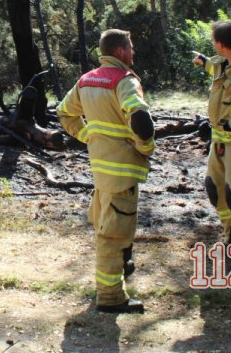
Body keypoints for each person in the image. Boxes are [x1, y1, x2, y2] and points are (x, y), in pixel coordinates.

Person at [57, 29, 155, 314]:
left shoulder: (87, 80)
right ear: (121, 52)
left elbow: (65, 112)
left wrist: (87, 136)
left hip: (101, 170)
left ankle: (122, 268)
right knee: (112, 234)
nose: (133, 53)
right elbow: (140, 117)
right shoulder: (124, 81)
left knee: (110, 226)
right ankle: (111, 296)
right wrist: (145, 146)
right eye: (131, 47)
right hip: (122, 170)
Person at [192, 21, 231, 257]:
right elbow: (215, 69)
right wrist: (202, 61)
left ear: (219, 44)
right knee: (214, 188)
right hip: (217, 142)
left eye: (212, 42)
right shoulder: (221, 64)